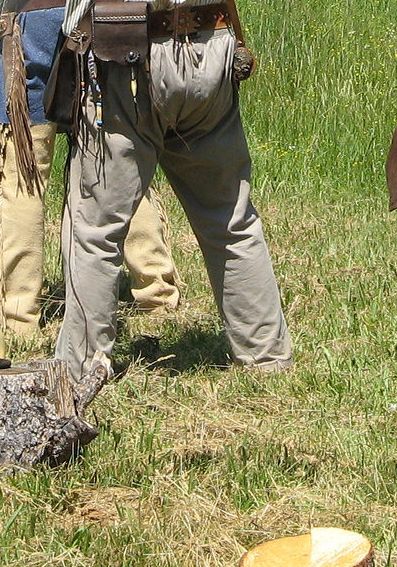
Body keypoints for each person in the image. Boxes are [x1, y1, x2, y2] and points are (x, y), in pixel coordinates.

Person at [55, 0, 292, 380]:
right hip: (210, 41)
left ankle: (79, 372)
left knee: (96, 230)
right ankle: (266, 358)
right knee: (231, 219)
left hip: (123, 56)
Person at [0, 0, 179, 346]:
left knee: (24, 173)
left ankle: (20, 316)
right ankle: (157, 292)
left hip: (30, 21)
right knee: (119, 163)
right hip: (100, 21)